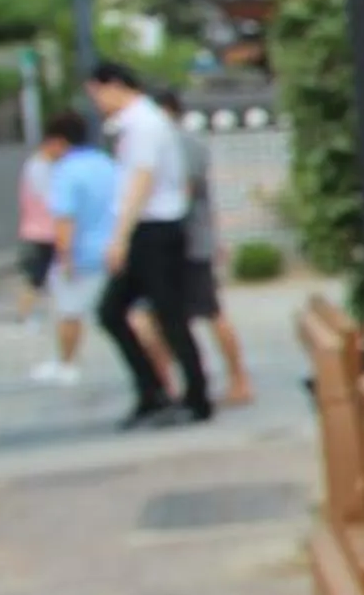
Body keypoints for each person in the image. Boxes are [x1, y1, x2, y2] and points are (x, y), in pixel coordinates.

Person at [87, 61, 210, 429]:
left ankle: (192, 395)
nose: (96, 103)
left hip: (153, 229)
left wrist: (119, 238)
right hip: (152, 228)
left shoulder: (142, 124)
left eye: (96, 93)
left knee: (166, 316)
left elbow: (141, 179)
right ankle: (154, 390)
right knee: (116, 311)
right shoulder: (140, 122)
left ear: (112, 86)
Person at [129, 88, 254, 407]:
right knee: (167, 317)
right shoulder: (173, 143)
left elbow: (180, 197)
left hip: (188, 245)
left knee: (206, 313)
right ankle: (173, 383)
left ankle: (236, 380)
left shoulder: (180, 145)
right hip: (186, 243)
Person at [30, 111, 117, 388]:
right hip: (113, 248)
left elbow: (65, 217)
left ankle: (67, 364)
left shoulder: (66, 171)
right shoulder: (106, 163)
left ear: (58, 142)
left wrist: (64, 256)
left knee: (69, 311)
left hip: (82, 254)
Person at [14, 137, 59, 327]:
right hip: (40, 232)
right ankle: (25, 315)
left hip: (46, 230)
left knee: (43, 275)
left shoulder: (43, 165)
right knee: (35, 277)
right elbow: (49, 198)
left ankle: (37, 314)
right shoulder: (38, 166)